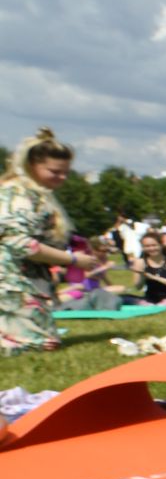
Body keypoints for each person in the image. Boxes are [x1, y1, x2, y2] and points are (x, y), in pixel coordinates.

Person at [0, 128, 79, 356]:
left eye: (66, 173)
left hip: (23, 277)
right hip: (9, 279)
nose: (62, 178)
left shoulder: (34, 193)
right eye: (55, 172)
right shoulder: (17, 195)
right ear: (32, 165)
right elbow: (20, 242)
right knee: (39, 344)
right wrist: (72, 259)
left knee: (45, 342)